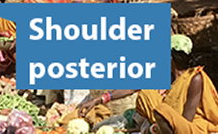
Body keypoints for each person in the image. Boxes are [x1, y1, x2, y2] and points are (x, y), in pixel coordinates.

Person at [79, 35, 218, 134]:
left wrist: (157, 128)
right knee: (147, 94)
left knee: (162, 110)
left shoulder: (195, 78)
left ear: (170, 58)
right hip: (165, 123)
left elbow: (186, 119)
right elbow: (130, 88)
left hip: (188, 127)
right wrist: (98, 100)